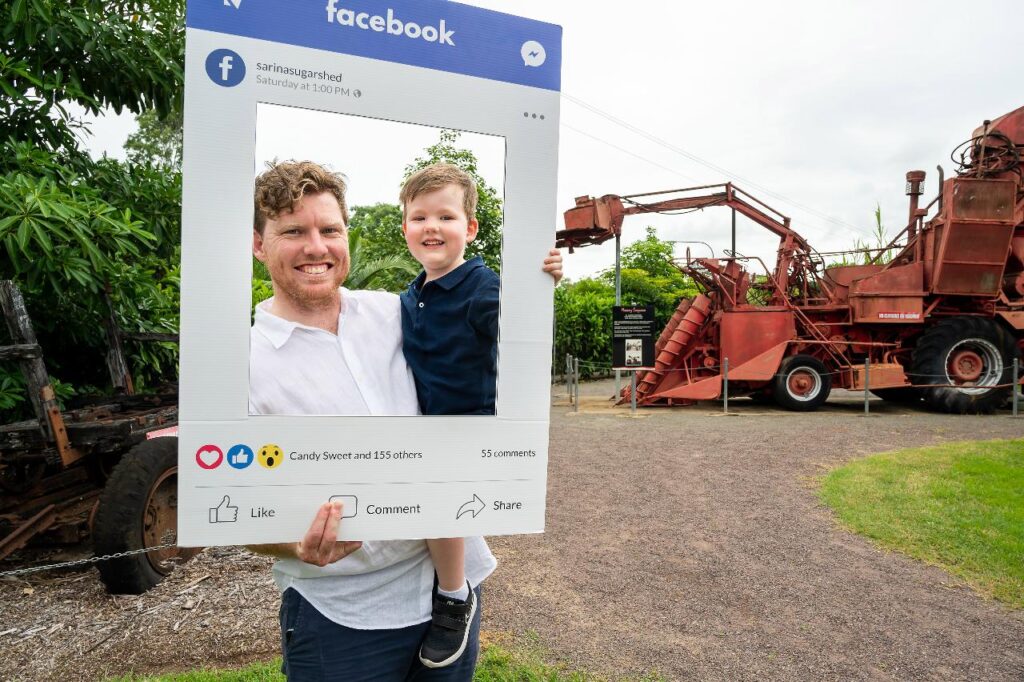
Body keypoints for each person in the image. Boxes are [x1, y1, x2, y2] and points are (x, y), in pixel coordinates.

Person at [245, 160, 561, 681]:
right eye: (293, 232)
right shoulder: (242, 364)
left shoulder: (394, 311)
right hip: (341, 614)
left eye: (329, 230)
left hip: (447, 586)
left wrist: (537, 282)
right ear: (259, 243)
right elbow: (227, 504)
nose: (316, 247)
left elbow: (490, 323)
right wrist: (289, 543)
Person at [397, 163, 561, 668]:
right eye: (418, 216)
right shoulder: (413, 293)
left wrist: (542, 285)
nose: (430, 226)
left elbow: (521, 329)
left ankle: (453, 595)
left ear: (469, 228)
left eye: (445, 216)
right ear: (404, 226)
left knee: (437, 498)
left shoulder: (482, 288)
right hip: (425, 422)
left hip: (468, 424)